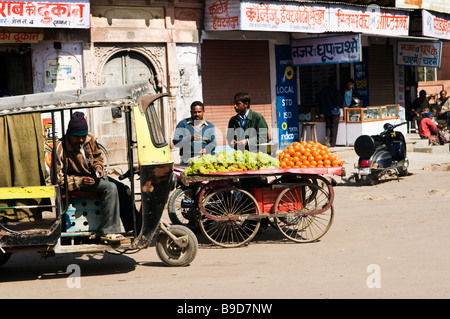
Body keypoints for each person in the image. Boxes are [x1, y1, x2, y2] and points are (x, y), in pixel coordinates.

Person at [52, 112, 135, 242]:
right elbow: (58, 178)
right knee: (110, 188)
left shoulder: (89, 138)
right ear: (69, 134)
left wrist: (98, 167)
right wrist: (79, 181)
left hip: (93, 177)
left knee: (124, 189)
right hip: (77, 183)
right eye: (77, 137)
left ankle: (134, 227)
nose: (81, 140)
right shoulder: (60, 147)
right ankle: (109, 231)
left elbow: (97, 156)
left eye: (82, 137)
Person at [319, 76, 343, 147]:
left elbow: (321, 101)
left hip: (326, 111)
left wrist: (322, 111)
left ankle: (327, 138)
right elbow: (340, 101)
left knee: (328, 126)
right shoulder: (336, 91)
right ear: (334, 82)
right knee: (334, 127)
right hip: (335, 112)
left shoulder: (324, 91)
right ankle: (333, 143)